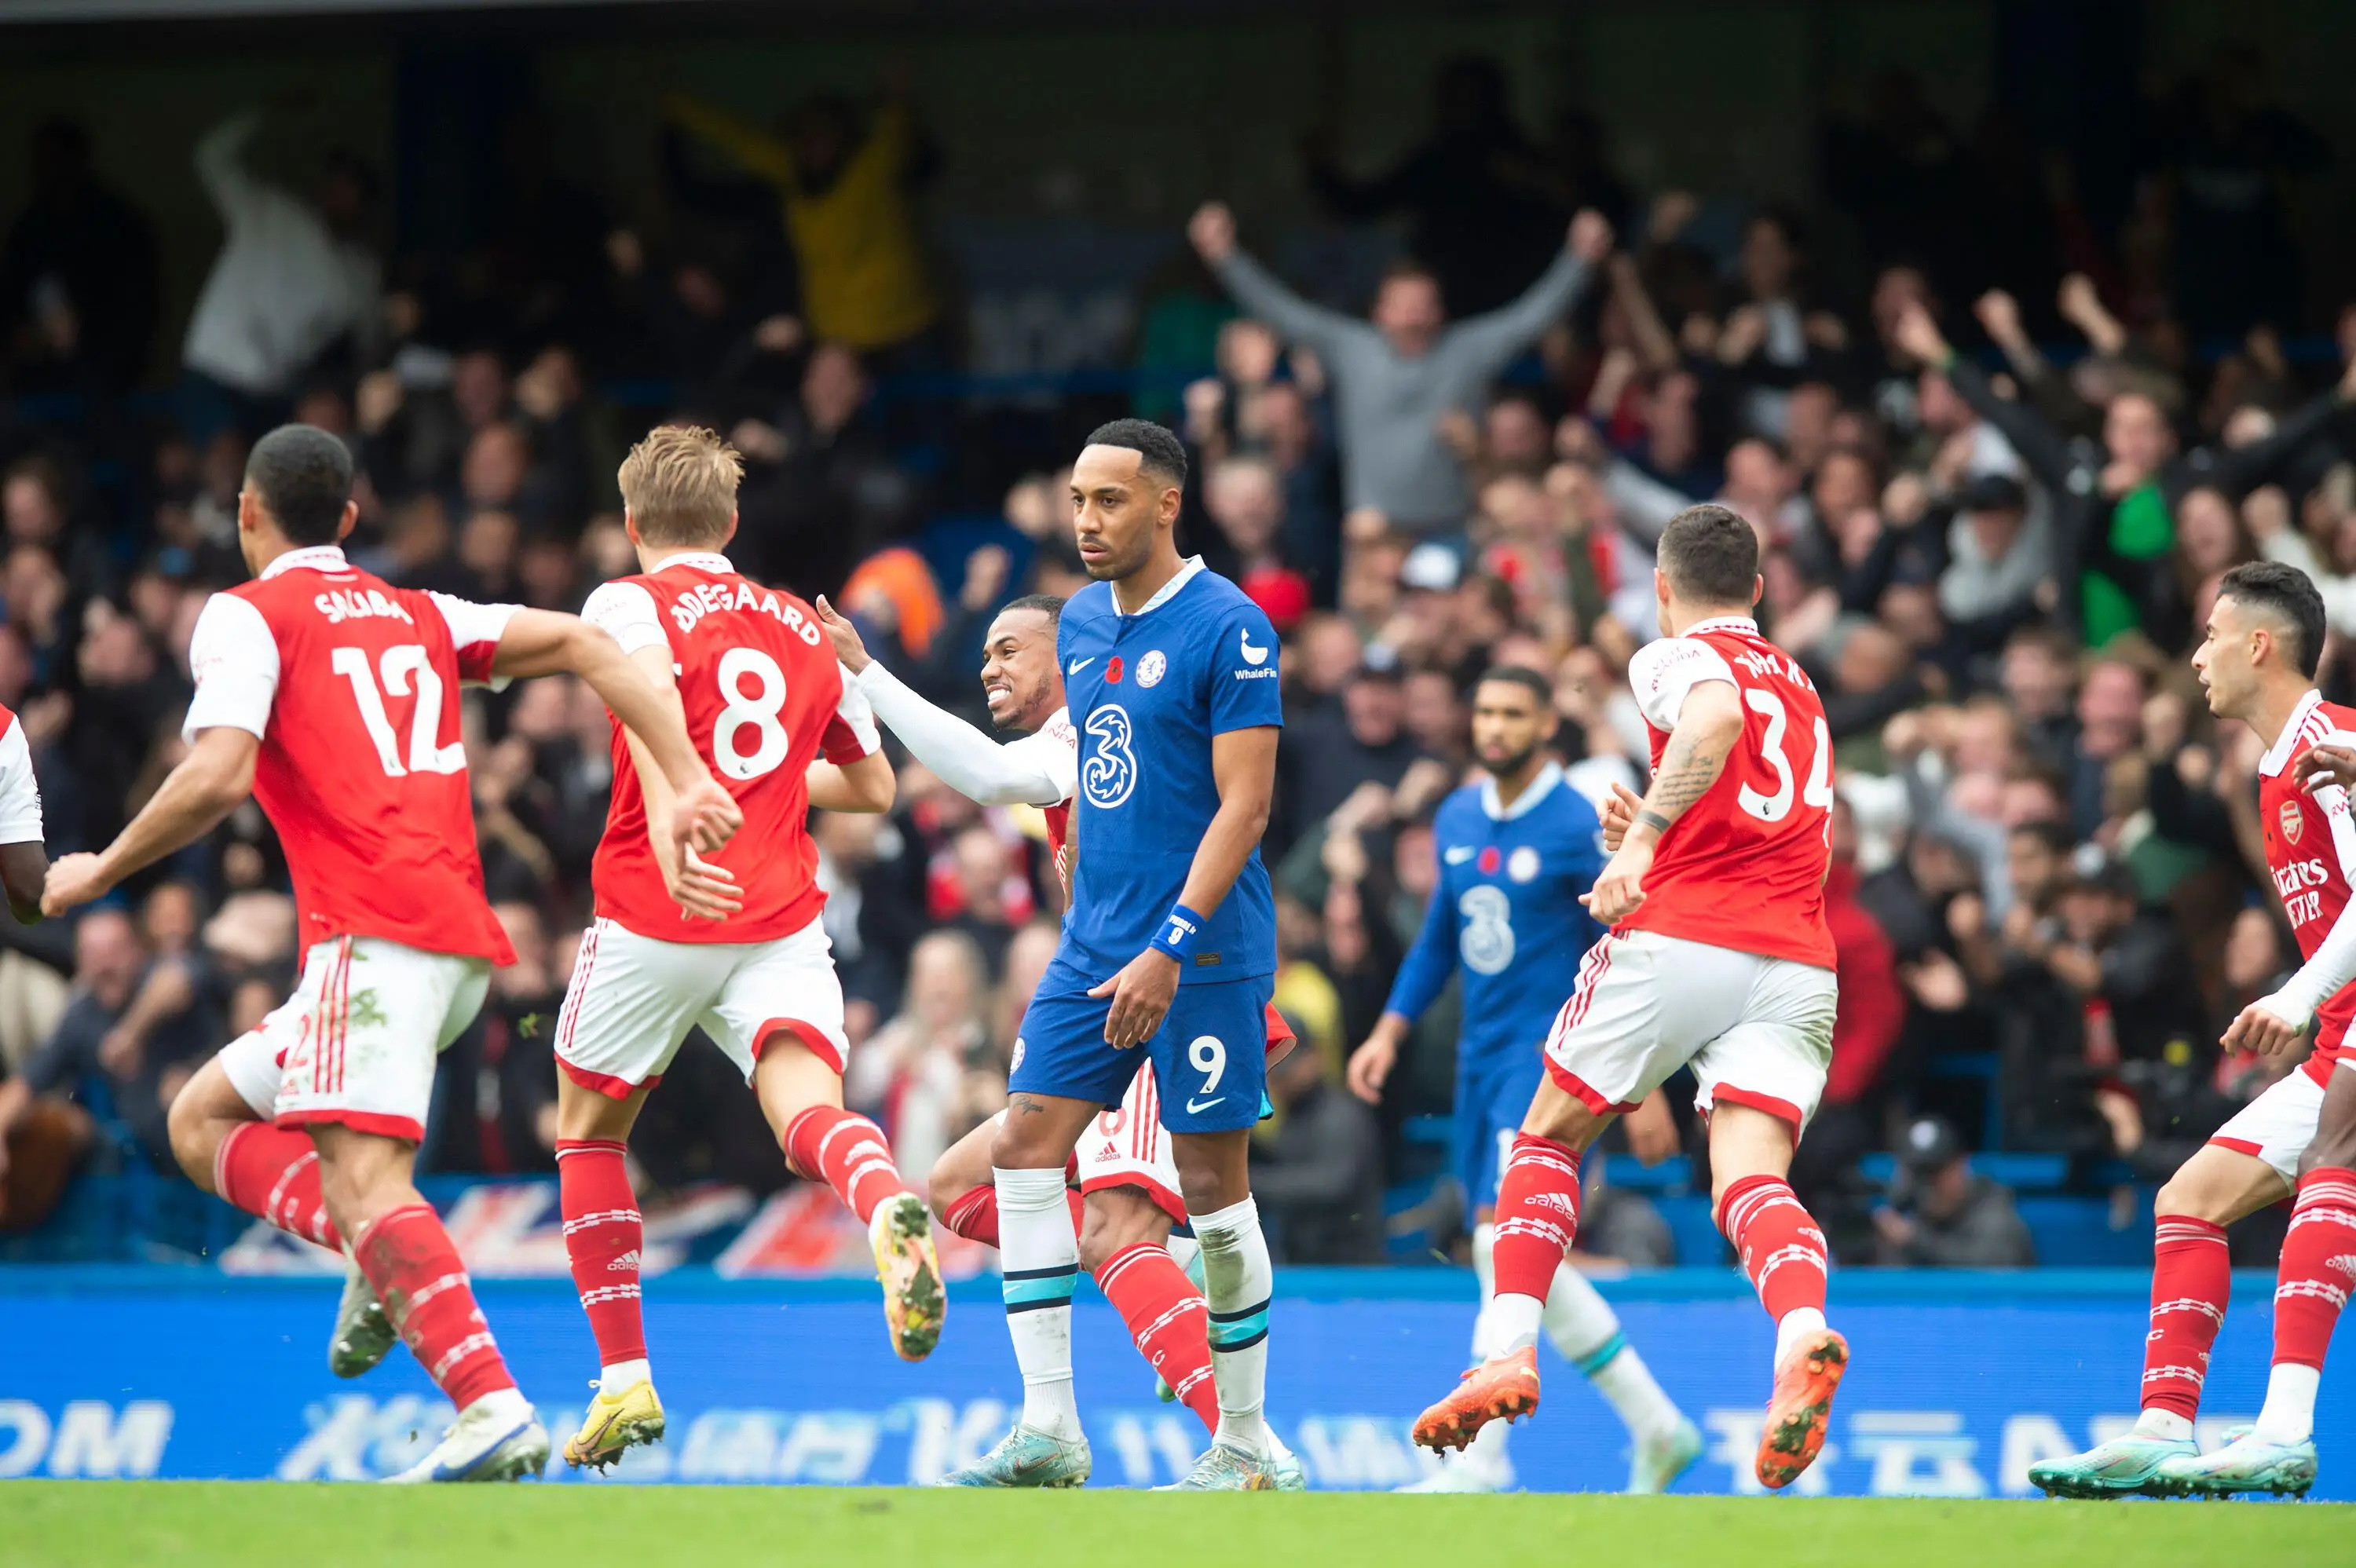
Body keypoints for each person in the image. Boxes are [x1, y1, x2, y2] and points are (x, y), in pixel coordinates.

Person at [41, 424, 741, 1484]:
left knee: (369, 1182)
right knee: (201, 1118)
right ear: (351, 518)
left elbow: (220, 773)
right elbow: (589, 645)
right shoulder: (420, 611)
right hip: (452, 948)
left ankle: (490, 1404)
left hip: (371, 939)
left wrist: (99, 869)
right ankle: (379, 1250)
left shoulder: (247, 613)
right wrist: (685, 774)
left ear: (247, 512)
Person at [814, 586, 1306, 1488]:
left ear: (1069, 653)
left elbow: (989, 774)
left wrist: (868, 673)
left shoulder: (1104, 721)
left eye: (1011, 649)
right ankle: (1168, 1288)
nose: (989, 667)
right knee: (964, 1180)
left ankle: (1245, 1442)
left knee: (1114, 1227)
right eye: (984, 652)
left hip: (1161, 989)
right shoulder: (1071, 736)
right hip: (1107, 984)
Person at [1410, 503, 1847, 1492]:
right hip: (1797, 958)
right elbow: (1790, 830)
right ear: (1758, 589)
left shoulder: (1675, 655)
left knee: (1544, 1140)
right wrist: (1660, 821)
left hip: (1685, 936)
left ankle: (1505, 1351)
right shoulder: (1802, 682)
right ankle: (1803, 1332)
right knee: (1750, 1183)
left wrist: (1645, 842)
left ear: (1661, 586)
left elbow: (1714, 717)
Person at [543, 425, 938, 1474]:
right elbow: (873, 788)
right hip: (779, 916)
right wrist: (761, 785)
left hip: (659, 901)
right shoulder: (802, 624)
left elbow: (648, 701)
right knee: (808, 1113)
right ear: (730, 522)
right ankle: (885, 1204)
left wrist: (683, 805)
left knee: (588, 1134)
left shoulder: (627, 601)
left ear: (634, 523)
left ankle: (624, 1376)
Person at [945, 418, 1286, 1490]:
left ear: (1166, 504)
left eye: (1109, 501)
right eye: (1078, 502)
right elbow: (1100, 772)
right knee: (1019, 1152)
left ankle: (1246, 1439)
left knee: (1213, 1187)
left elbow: (1245, 805)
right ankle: (1049, 1425)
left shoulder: (1232, 625)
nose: (1087, 521)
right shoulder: (1085, 622)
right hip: (1093, 948)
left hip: (1203, 951)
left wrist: (1170, 942)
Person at [2033, 561, 2351, 1500]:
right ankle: (2164, 1425)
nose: (2198, 655)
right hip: (2338, 1030)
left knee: (2332, 1159)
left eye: (2211, 636)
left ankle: (2284, 1430)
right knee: (2190, 1198)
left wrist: (2297, 995)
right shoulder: (2270, 766)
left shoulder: (2331, 745)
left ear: (2260, 644)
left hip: (2340, 1023)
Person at [1348, 667, 1699, 1494]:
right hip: (1480, 1061)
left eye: (1513, 712)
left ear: (1546, 724)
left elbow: (1627, 944)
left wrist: (1643, 1083)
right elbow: (1441, 934)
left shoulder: (1579, 823)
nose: (1495, 726)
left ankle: (1480, 1459)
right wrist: (1390, 1028)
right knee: (1506, 1251)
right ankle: (1658, 1425)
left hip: (1553, 1059)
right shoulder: (1458, 815)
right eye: (1485, 711)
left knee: (1497, 1239)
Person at [1189, 200, 1611, 533]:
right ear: (1380, 312)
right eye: (1403, 306)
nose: (1413, 316)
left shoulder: (1470, 349)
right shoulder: (1351, 347)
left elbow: (1531, 318)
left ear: (1441, 311)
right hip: (1372, 533)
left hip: (1455, 528)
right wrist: (1224, 257)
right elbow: (1283, 312)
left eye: (1423, 306)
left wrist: (1579, 259)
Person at [1869, 1116, 2036, 1267]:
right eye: (1918, 1174)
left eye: (1934, 1172)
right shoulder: (1906, 1213)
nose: (1926, 1186)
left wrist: (1916, 1242)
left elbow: (1991, 1269)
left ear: (1961, 1166)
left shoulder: (1994, 1212)